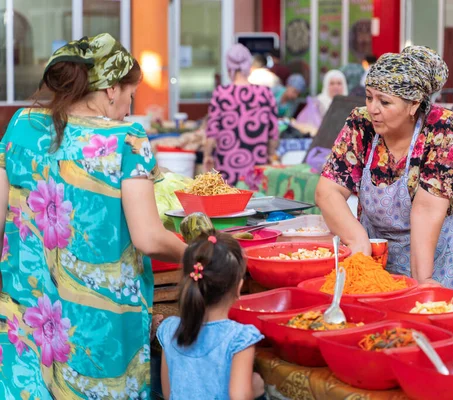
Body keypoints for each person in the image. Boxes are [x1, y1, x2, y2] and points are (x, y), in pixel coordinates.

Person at [0, 33, 186, 398]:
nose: (129, 109)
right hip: (98, 326)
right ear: (112, 88)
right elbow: (148, 237)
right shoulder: (125, 138)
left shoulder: (20, 125)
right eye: (130, 96)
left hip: (28, 314)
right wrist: (196, 253)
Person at [315, 47, 453, 291]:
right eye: (369, 97)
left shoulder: (443, 128)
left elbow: (426, 210)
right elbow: (328, 191)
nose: (373, 108)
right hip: (376, 250)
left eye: (384, 102)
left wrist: (422, 279)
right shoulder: (361, 123)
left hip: (435, 254)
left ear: (413, 104)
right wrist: (359, 243)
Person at [158, 232, 265, 400]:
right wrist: (255, 389)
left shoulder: (170, 330)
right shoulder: (239, 338)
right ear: (238, 287)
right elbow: (240, 397)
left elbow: (168, 393)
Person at [204, 44, 279, 185]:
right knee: (255, 204)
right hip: (257, 167)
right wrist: (270, 154)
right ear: (248, 65)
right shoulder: (265, 93)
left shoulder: (221, 93)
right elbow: (273, 133)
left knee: (229, 203)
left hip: (227, 167)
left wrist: (207, 155)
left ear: (228, 66)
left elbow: (211, 134)